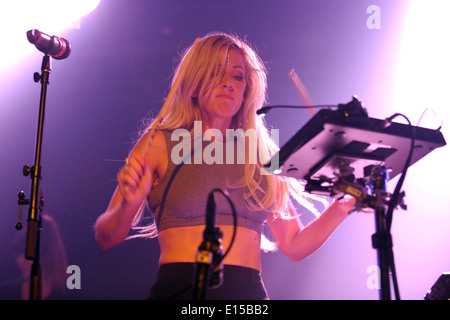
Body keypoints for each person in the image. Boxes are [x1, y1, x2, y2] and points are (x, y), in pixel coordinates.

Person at [94, 32, 356, 300]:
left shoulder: (262, 153)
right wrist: (128, 204)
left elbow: (293, 245)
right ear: (194, 84)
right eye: (216, 72)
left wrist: (341, 207)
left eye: (238, 76)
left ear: (246, 92)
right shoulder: (160, 142)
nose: (228, 83)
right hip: (180, 290)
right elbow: (106, 237)